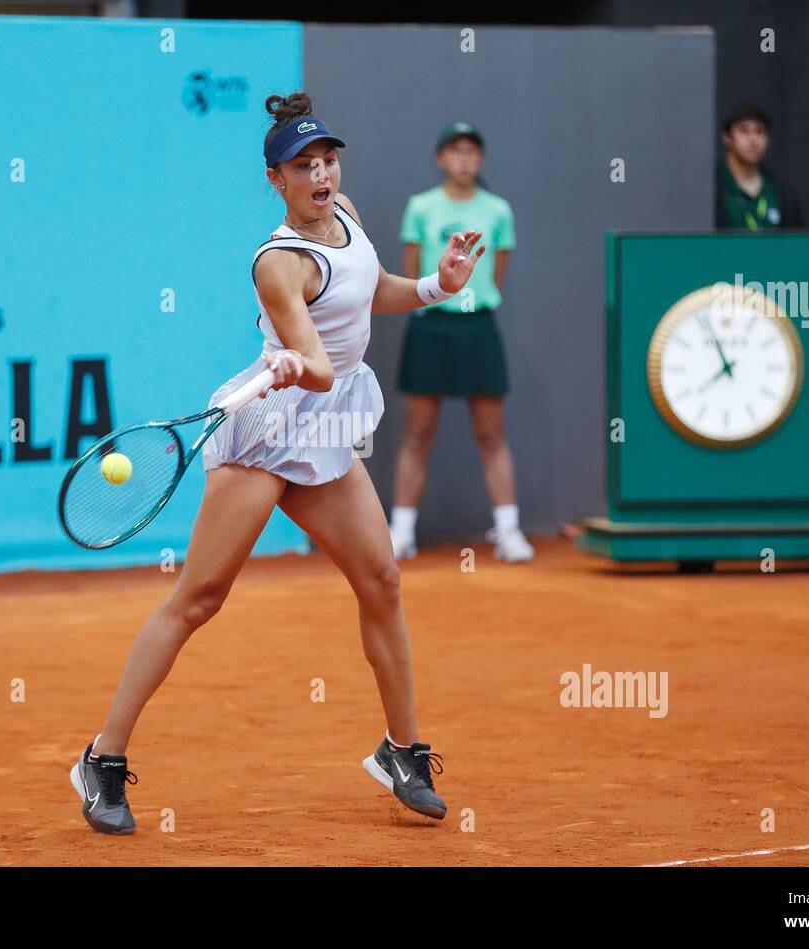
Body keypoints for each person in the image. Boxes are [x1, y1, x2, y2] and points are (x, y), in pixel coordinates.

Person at [68, 92, 485, 835]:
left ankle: (402, 750)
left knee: (381, 579)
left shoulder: (346, 214)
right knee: (199, 599)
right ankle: (101, 758)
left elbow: (365, 295)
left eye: (327, 161)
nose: (321, 175)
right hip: (269, 426)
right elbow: (320, 366)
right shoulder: (278, 264)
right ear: (276, 179)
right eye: (304, 167)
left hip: (325, 423)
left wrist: (434, 288)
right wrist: (300, 366)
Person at [388, 121, 534, 562]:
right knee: (417, 432)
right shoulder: (420, 207)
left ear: (481, 159)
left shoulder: (499, 210)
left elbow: (498, 277)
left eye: (472, 150)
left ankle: (508, 532)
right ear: (440, 159)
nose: (464, 158)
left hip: (478, 327)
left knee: (492, 434)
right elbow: (412, 273)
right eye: (455, 150)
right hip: (430, 327)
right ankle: (402, 533)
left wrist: (475, 301)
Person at [716, 103, 805, 230]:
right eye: (744, 131)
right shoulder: (711, 187)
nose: (753, 140)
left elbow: (799, 242)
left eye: (760, 132)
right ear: (727, 137)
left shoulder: (782, 191)